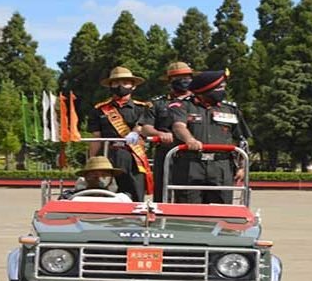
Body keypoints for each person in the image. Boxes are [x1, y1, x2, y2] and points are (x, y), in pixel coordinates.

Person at [170, 69, 252, 204]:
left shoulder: (230, 109)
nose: (223, 91)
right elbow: (179, 126)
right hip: (191, 164)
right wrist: (189, 140)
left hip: (221, 166)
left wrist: (242, 167)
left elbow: (241, 140)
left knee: (221, 209)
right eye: (219, 88)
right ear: (206, 89)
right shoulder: (184, 106)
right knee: (188, 209)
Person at [88, 66, 153, 201]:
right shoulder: (99, 109)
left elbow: (143, 126)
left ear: (133, 86)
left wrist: (136, 132)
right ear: (110, 86)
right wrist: (91, 160)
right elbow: (96, 137)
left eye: (125, 83)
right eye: (116, 83)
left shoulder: (143, 108)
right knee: (106, 196)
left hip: (134, 157)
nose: (120, 86)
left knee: (135, 197)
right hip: (108, 157)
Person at [139, 62, 195, 202]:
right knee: (162, 193)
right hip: (166, 153)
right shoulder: (158, 103)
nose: (184, 80)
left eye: (187, 77)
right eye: (178, 77)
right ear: (170, 80)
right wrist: (159, 134)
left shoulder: (198, 102)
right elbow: (145, 128)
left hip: (193, 155)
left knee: (190, 195)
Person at [59, 156, 130, 201]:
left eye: (104, 174)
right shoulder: (68, 196)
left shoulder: (122, 198)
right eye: (94, 174)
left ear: (111, 178)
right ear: (85, 177)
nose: (99, 177)